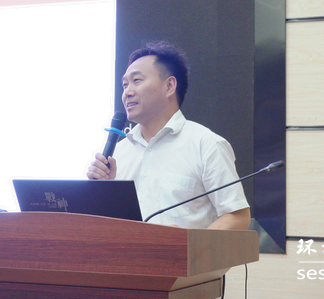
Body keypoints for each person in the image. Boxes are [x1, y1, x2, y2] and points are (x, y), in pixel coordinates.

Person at [87, 41, 250, 230]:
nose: (127, 92)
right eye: (125, 85)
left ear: (170, 86)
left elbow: (237, 216)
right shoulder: (118, 153)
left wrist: (185, 244)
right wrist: (103, 192)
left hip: (185, 251)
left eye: (137, 81)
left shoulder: (206, 144)